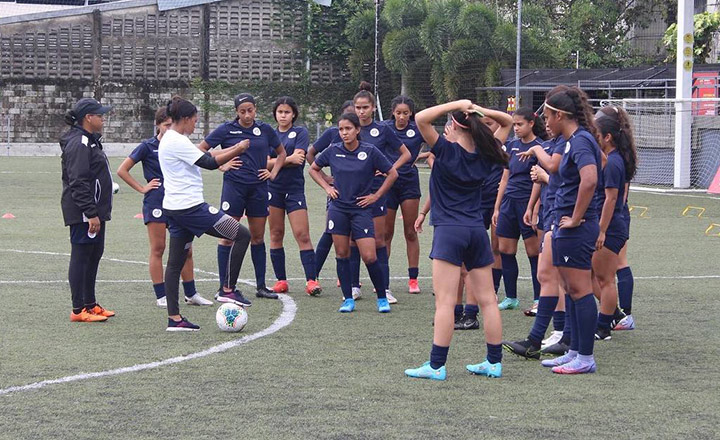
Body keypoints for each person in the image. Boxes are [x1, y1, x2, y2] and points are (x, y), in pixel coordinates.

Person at [405, 100, 511, 381]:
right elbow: (508, 123)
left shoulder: (446, 151)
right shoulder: (486, 153)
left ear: (452, 126)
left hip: (449, 232)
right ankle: (494, 362)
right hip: (476, 231)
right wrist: (481, 111)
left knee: (445, 303)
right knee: (488, 301)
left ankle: (436, 366)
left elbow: (422, 118)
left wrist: (458, 104)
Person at [158, 96, 252, 331]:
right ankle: (227, 290)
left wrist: (234, 147)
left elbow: (207, 157)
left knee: (175, 263)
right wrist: (238, 149)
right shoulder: (177, 141)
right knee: (241, 234)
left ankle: (175, 319)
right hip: (191, 208)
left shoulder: (172, 138)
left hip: (175, 208)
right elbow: (209, 163)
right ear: (186, 119)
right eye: (195, 121)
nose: (195, 126)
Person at [117, 107, 212, 308]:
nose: (169, 128)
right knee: (158, 248)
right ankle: (161, 295)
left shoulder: (179, 143)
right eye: (166, 125)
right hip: (157, 203)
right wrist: (143, 188)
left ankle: (191, 293)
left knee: (187, 250)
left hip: (179, 203)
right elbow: (122, 170)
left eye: (172, 125)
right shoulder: (147, 146)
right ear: (158, 125)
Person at [538, 86, 603, 374]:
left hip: (576, 228)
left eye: (547, 115)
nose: (545, 121)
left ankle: (586, 358)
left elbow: (590, 180)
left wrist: (577, 218)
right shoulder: (571, 141)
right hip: (563, 225)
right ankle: (574, 349)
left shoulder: (580, 141)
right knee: (570, 289)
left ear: (560, 114)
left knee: (580, 290)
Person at [309, 113, 398, 313]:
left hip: (361, 210)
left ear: (357, 130)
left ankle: (382, 297)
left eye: (348, 128)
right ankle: (348, 299)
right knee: (342, 253)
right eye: (341, 129)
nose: (344, 133)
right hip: (338, 209)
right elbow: (313, 169)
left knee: (369, 255)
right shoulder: (333, 150)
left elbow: (393, 173)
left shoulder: (370, 151)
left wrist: (376, 196)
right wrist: (327, 187)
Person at [199, 93, 286, 300]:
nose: (247, 115)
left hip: (258, 189)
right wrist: (222, 165)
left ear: (256, 109)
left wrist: (272, 173)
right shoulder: (227, 129)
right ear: (236, 112)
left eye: (250, 110)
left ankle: (261, 286)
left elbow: (281, 153)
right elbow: (202, 151)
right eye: (242, 111)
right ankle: (225, 287)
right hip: (234, 188)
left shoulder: (264, 129)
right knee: (228, 237)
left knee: (257, 237)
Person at [350, 83, 411, 304]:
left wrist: (388, 169)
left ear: (373, 108)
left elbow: (406, 153)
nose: (361, 111)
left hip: (376, 192)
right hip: (351, 194)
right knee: (354, 241)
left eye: (365, 107)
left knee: (379, 240)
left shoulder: (383, 130)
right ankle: (353, 286)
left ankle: (383, 288)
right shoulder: (348, 128)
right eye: (358, 107)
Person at [60, 98, 116, 322]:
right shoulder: (79, 142)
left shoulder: (90, 140)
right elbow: (78, 181)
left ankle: (90, 304)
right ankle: (78, 309)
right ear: (88, 118)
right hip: (84, 212)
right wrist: (90, 212)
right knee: (81, 256)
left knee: (93, 256)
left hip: (95, 211)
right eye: (99, 114)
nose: (103, 117)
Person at [266, 96, 322, 296]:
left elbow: (299, 159)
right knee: (276, 234)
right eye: (280, 112)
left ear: (293, 114)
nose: (283, 115)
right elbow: (264, 163)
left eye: (287, 112)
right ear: (275, 114)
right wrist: (286, 158)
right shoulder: (270, 134)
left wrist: (277, 160)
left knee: (302, 234)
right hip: (273, 189)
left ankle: (311, 281)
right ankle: (281, 281)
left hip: (294, 190)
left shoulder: (300, 132)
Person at [492, 108, 546, 312]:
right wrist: (497, 207)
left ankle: (539, 299)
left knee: (533, 252)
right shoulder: (511, 146)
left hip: (526, 203)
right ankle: (511, 297)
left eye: (519, 124)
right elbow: (504, 178)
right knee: (506, 250)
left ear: (531, 124)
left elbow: (538, 180)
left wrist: (533, 208)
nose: (515, 128)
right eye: (513, 124)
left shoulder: (540, 147)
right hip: (508, 204)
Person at [592, 105, 637, 341]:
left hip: (611, 227)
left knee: (605, 279)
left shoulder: (614, 163)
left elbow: (611, 199)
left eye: (597, 135)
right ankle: (613, 314)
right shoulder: (610, 157)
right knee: (591, 276)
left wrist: (600, 230)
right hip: (607, 224)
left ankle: (604, 326)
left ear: (608, 137)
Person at [307, 100, 355, 280]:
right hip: (338, 193)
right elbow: (310, 154)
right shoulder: (333, 134)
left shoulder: (365, 137)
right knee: (331, 232)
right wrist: (326, 178)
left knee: (356, 237)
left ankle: (350, 278)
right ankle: (312, 275)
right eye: (348, 114)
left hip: (362, 193)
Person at [384, 96, 424, 294]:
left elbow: (438, 145)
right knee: (386, 233)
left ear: (411, 113)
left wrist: (427, 157)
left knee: (410, 231)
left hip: (409, 184)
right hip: (387, 184)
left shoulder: (418, 128)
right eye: (398, 113)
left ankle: (413, 279)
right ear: (392, 112)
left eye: (406, 113)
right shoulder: (384, 128)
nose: (402, 117)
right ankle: (383, 278)